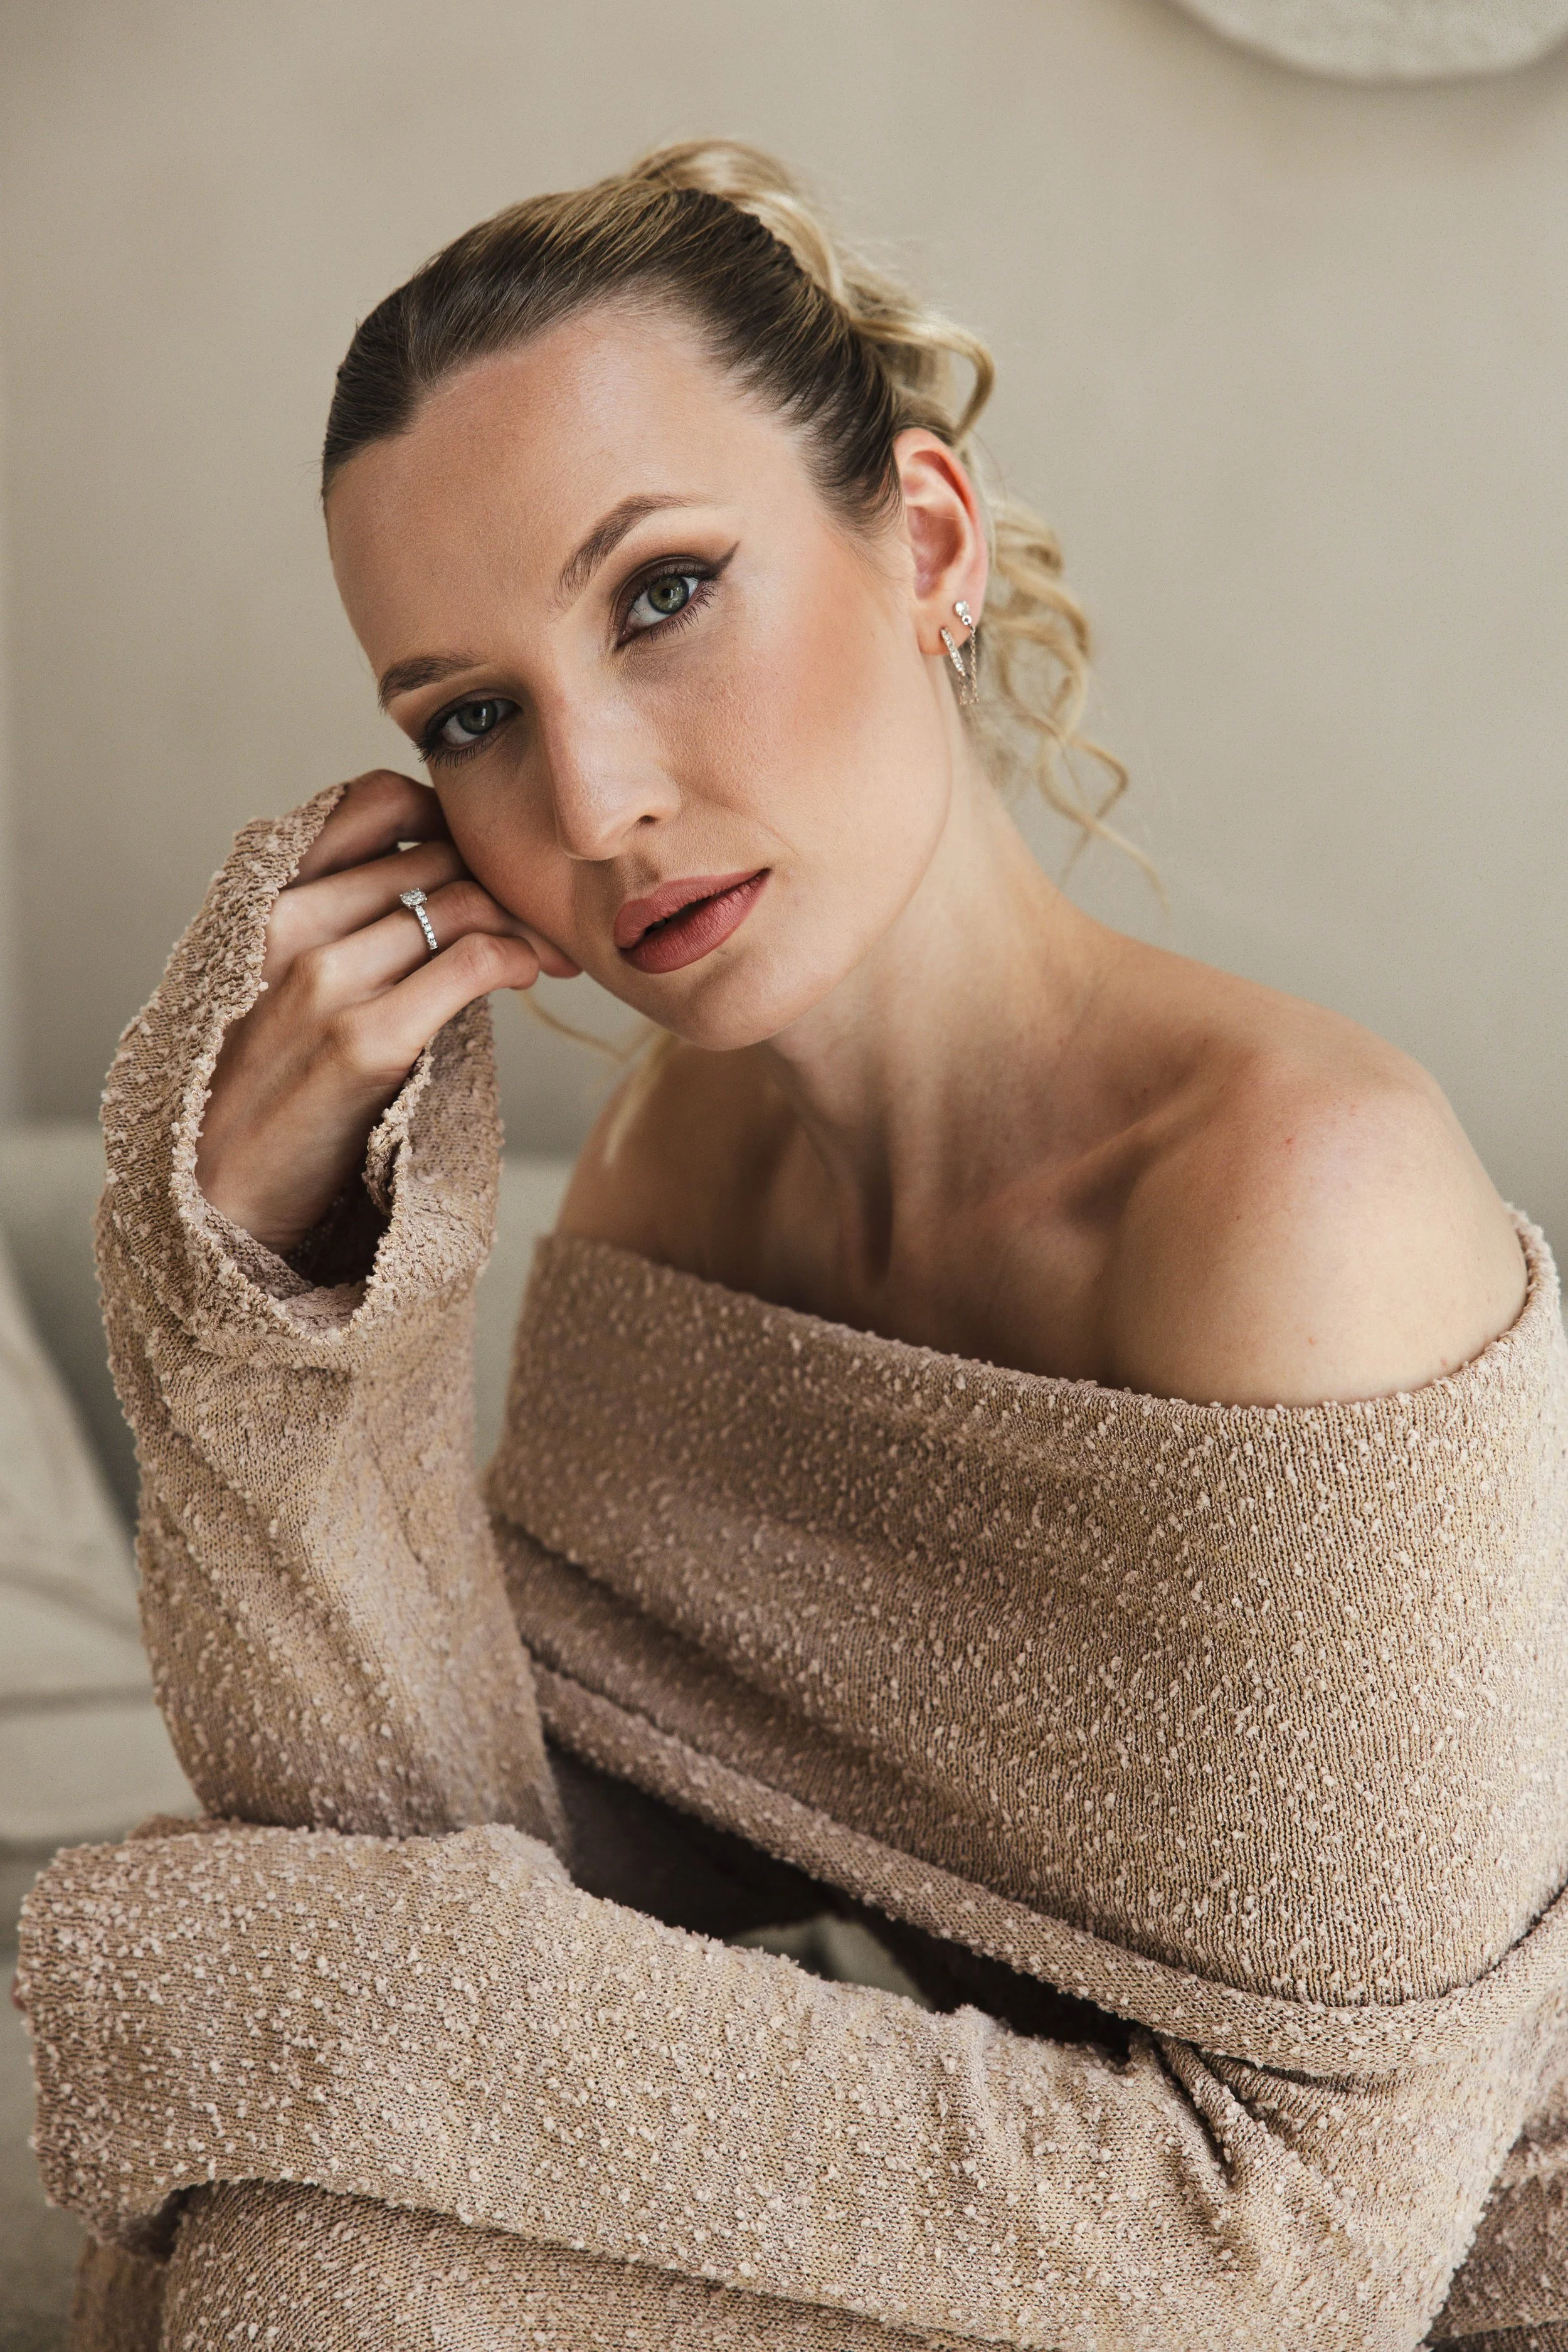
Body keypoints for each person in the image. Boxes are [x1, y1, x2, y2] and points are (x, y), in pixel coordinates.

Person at [20, 142, 1568, 2352]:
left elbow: (1299, 2247)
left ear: (921, 540)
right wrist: (263, 1308)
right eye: (470, 717)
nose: (595, 797)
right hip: (1128, 2265)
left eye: (658, 593)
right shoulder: (677, 1185)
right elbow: (440, 1845)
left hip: (1442, 2284)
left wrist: (351, 2000)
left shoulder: (1287, 1204)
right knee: (314, 2253)